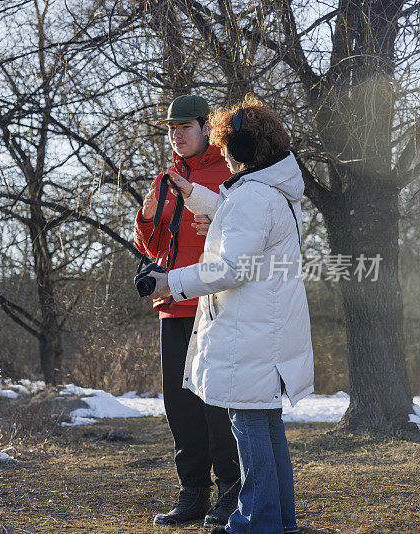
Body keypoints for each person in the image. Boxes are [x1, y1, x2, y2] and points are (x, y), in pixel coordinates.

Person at [146, 93, 313, 534]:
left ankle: (253, 525)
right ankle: (278, 523)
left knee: (252, 432)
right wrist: (197, 196)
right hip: (267, 331)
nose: (222, 152)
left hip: (249, 334)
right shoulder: (271, 191)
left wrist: (171, 282)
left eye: (225, 144)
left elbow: (231, 267)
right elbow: (240, 218)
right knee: (268, 433)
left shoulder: (254, 196)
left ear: (239, 148)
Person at [134, 94, 241, 527]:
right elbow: (152, 247)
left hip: (215, 305)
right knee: (181, 407)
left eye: (184, 128)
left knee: (216, 404)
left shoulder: (230, 174)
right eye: (171, 129)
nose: (176, 136)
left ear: (204, 128)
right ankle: (193, 494)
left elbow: (245, 235)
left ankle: (232, 494)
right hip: (172, 306)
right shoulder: (165, 179)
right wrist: (144, 219)